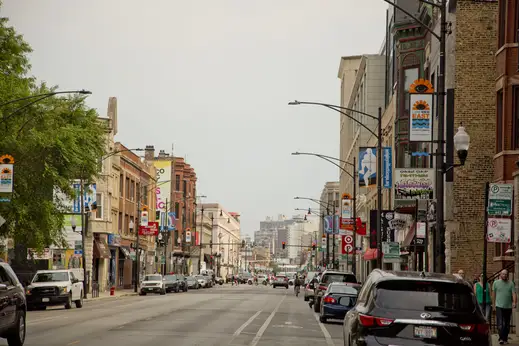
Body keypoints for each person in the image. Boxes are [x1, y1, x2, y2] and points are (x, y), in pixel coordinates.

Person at [493, 269, 517, 345]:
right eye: (503, 274)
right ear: (500, 274)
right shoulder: (496, 283)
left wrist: (514, 302)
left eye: (506, 274)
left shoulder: (511, 283)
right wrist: (493, 305)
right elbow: (493, 294)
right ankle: (501, 338)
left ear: (507, 275)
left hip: (508, 306)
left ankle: (505, 338)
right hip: (499, 306)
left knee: (506, 324)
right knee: (501, 323)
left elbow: (514, 293)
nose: (504, 275)